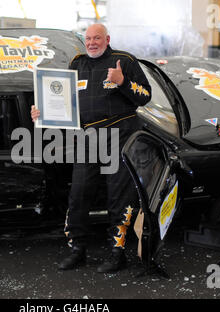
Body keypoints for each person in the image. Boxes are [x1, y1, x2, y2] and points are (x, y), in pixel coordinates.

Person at [31, 24, 151, 273]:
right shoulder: (77, 63)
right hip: (88, 139)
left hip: (120, 137)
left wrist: (123, 82)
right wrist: (43, 114)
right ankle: (78, 251)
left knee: (118, 198)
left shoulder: (124, 60)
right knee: (79, 195)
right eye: (88, 38)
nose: (92, 42)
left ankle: (117, 254)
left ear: (107, 39)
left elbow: (145, 96)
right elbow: (65, 105)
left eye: (97, 38)